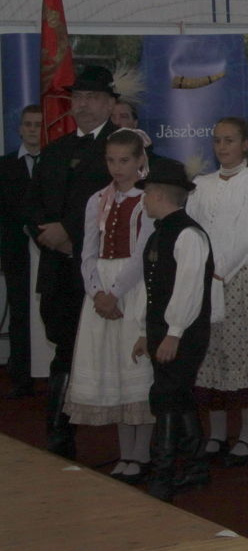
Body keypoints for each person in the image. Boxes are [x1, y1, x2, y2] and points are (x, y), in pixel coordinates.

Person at [24, 64, 120, 457]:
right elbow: (31, 205)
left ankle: (133, 442)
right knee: (64, 348)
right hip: (57, 269)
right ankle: (59, 433)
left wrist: (70, 234)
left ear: (110, 104)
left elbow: (121, 205)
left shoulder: (124, 149)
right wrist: (48, 236)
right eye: (78, 98)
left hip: (103, 272)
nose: (84, 105)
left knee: (113, 349)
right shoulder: (54, 150)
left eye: (93, 97)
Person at [63, 128, 154, 481]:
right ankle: (125, 453)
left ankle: (142, 453)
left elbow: (142, 253)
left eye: (125, 160)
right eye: (111, 160)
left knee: (135, 368)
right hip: (101, 289)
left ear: (140, 160)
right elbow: (87, 251)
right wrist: (97, 292)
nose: (117, 168)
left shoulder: (147, 199)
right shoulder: (97, 199)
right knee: (113, 368)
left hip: (133, 288)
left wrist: (115, 292)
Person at [190, 118, 248, 468]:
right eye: (217, 141)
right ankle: (217, 434)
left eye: (229, 140)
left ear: (245, 144)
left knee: (241, 354)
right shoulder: (201, 185)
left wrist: (220, 271)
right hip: (204, 279)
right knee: (210, 355)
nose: (222, 147)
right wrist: (200, 271)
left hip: (239, 278)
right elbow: (193, 231)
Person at [132, 158, 214, 502]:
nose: (143, 200)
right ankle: (195, 465)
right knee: (176, 394)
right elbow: (150, 287)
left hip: (182, 333)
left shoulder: (189, 235)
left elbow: (189, 290)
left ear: (158, 194)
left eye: (145, 194)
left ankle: (163, 472)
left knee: (166, 396)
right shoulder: (160, 232)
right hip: (162, 330)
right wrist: (144, 330)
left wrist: (174, 332)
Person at [1, 105, 41, 398]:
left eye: (38, 124)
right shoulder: (4, 166)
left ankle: (55, 374)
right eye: (28, 124)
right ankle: (21, 377)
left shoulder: (56, 162)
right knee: (20, 314)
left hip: (52, 251)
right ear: (19, 129)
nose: (32, 130)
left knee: (52, 312)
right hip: (16, 253)